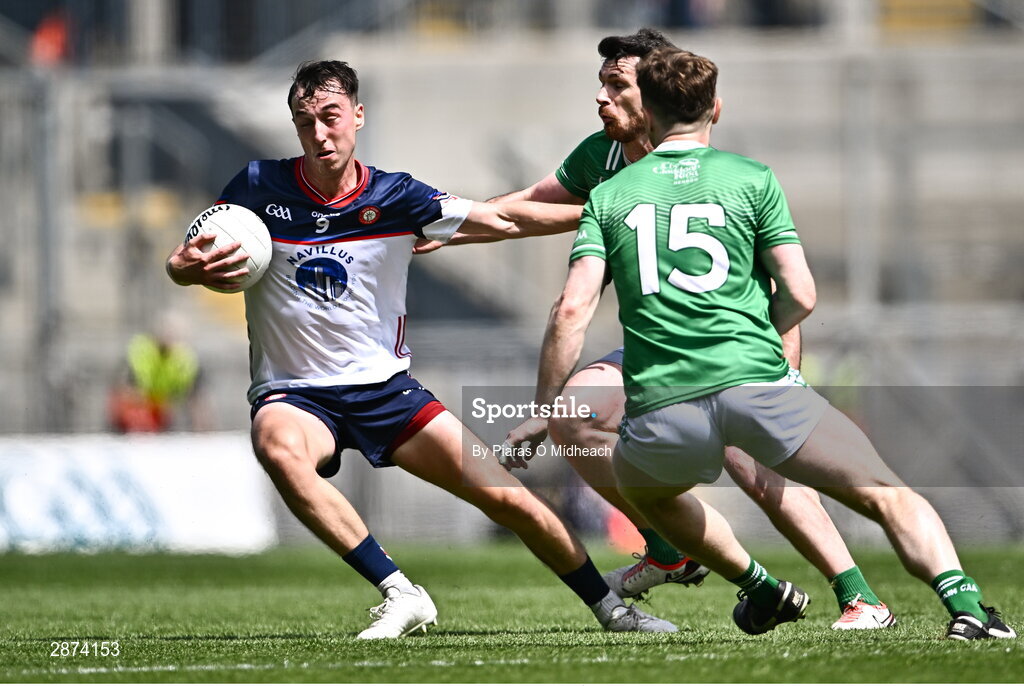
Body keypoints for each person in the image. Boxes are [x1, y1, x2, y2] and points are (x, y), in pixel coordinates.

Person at [507, 46, 1015, 640]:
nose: (603, 98)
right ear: (715, 109)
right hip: (754, 379)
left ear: (649, 108)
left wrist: (541, 411)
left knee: (649, 494)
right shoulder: (751, 177)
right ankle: (970, 612)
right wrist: (757, 339)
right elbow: (801, 294)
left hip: (665, 399)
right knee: (886, 493)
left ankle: (792, 584)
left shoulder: (609, 195)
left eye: (616, 86)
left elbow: (570, 311)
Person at [164, 59, 676, 639]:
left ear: (357, 115)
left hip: (386, 391)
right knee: (277, 447)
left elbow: (504, 220)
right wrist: (180, 268)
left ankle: (612, 611)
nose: (320, 133)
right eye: (305, 122)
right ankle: (401, 592)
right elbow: (195, 257)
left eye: (331, 117)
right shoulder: (256, 188)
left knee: (510, 500)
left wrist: (608, 213)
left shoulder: (397, 196)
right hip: (296, 392)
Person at [460, 28, 893, 630]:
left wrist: (780, 364)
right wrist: (437, 224)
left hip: (739, 343)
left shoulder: (710, 172)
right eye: (601, 84)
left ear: (657, 95)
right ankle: (668, 547)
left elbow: (781, 287)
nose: (602, 98)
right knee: (574, 417)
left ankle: (860, 596)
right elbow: (523, 206)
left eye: (617, 86)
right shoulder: (605, 157)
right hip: (659, 355)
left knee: (752, 462)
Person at [108, 312, 211, 432]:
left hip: (162, 410)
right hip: (138, 407)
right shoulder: (140, 351)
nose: (170, 336)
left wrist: (203, 430)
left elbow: (197, 399)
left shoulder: (185, 359)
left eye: (174, 333)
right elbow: (125, 391)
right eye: (168, 332)